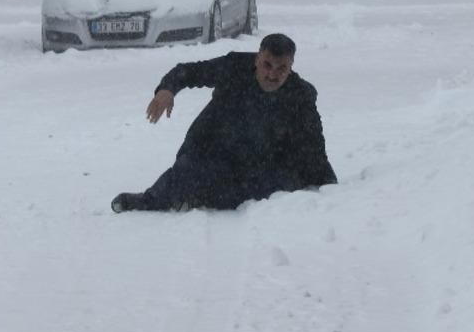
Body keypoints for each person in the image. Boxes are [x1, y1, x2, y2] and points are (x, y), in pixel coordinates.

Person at [111, 33, 337, 212]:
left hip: (261, 163)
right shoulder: (234, 67)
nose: (272, 74)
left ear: (291, 67)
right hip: (213, 147)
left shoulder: (301, 94)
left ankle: (212, 195)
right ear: (257, 59)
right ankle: (149, 200)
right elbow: (188, 71)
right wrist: (166, 90)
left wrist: (333, 191)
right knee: (187, 174)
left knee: (283, 184)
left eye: (281, 69)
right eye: (267, 65)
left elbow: (313, 146)